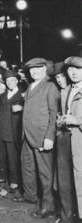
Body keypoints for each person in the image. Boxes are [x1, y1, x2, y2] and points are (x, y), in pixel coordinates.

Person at [14, 58, 59, 220]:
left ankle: (48, 206)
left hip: (41, 136)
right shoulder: (30, 86)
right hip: (27, 134)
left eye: (38, 68)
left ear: (45, 69)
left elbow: (54, 114)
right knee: (27, 167)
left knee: (45, 173)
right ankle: (30, 195)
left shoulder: (50, 86)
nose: (34, 72)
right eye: (31, 69)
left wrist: (49, 137)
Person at [0, 70, 24, 193]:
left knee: (13, 157)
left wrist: (21, 108)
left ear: (17, 81)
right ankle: (1, 179)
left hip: (13, 132)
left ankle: (14, 182)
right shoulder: (2, 95)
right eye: (8, 81)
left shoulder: (23, 96)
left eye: (13, 80)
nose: (10, 83)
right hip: (0, 130)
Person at [51, 61, 76, 223]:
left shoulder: (72, 91)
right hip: (63, 140)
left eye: (62, 76)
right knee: (63, 181)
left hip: (73, 139)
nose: (60, 80)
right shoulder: (62, 91)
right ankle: (66, 215)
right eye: (57, 77)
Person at [62, 56, 82, 222]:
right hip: (69, 140)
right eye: (70, 69)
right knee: (72, 179)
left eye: (78, 69)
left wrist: (77, 120)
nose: (73, 72)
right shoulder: (68, 89)